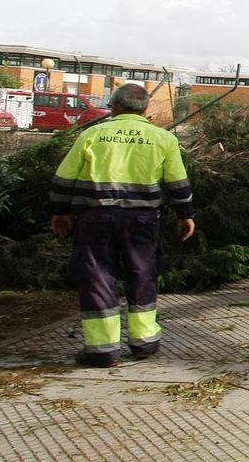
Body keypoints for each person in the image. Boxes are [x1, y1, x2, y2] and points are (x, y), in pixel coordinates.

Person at [49, 82, 195, 367]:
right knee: (142, 275)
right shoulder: (163, 139)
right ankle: (144, 343)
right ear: (146, 108)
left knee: (97, 278)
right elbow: (178, 182)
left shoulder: (92, 134)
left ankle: (102, 350)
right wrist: (185, 215)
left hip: (95, 219)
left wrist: (60, 212)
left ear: (114, 106)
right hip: (142, 221)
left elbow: (64, 179)